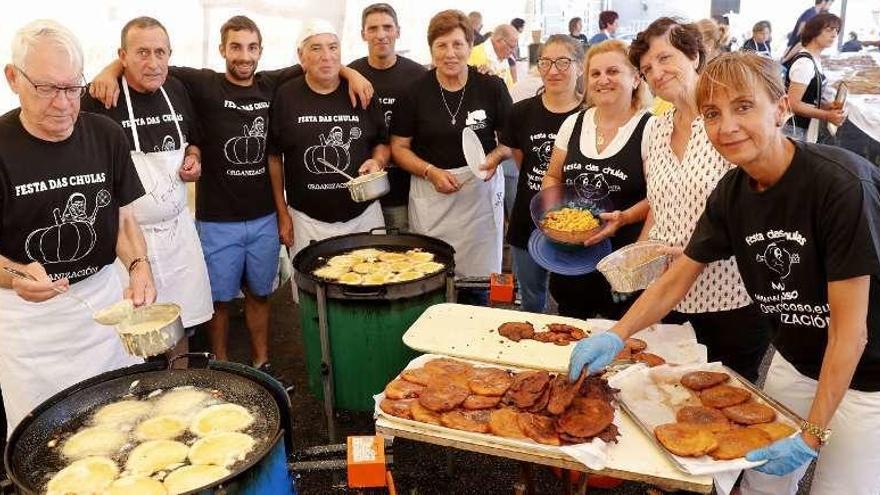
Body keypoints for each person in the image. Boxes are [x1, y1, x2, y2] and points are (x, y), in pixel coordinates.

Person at [570, 51, 880, 495]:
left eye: (744, 107)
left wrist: (813, 432)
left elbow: (851, 333)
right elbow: (680, 276)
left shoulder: (840, 185)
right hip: (794, 358)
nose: (727, 126)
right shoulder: (733, 192)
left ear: (780, 107)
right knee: (760, 486)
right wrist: (616, 335)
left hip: (867, 378)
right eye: (713, 113)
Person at [88, 18, 373, 373]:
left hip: (263, 216)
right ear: (222, 49)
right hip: (215, 218)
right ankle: (221, 365)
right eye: (235, 47)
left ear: (260, 51)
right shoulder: (200, 83)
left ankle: (261, 361)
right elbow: (148, 64)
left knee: (260, 293)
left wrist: (350, 73)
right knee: (218, 300)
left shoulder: (271, 83)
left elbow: (316, 60)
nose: (243, 56)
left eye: (251, 48)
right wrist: (110, 69)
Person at [0, 19, 153, 432]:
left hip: (101, 306)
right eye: (47, 89)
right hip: (29, 323)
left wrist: (139, 266)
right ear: (13, 78)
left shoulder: (105, 135)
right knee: (46, 435)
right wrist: (15, 275)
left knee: (120, 423)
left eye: (72, 88)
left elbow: (123, 221)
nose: (64, 103)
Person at [626, 17, 772, 382]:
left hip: (730, 296)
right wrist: (640, 264)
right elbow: (658, 207)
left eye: (664, 58)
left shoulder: (729, 127)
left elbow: (765, 209)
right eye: (646, 69)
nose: (656, 73)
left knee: (730, 403)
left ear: (693, 55)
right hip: (670, 297)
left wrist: (699, 251)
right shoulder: (653, 130)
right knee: (671, 397)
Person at [80, 17, 212, 356]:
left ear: (170, 54)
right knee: (129, 331)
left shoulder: (177, 89)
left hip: (178, 232)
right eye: (141, 53)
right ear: (122, 55)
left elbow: (194, 138)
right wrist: (107, 72)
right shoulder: (99, 97)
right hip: (127, 238)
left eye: (159, 52)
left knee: (179, 320)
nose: (152, 63)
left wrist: (193, 157)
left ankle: (179, 382)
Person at [391, 10, 512, 305]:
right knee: (433, 277)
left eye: (458, 44)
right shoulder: (414, 92)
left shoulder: (491, 87)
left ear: (470, 46)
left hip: (479, 195)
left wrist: (494, 157)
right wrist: (430, 172)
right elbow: (399, 148)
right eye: (441, 46)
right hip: (432, 192)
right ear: (431, 49)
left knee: (479, 282)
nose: (450, 54)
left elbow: (510, 141)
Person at [269, 19, 388, 300]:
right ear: (301, 56)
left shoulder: (361, 91)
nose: (327, 56)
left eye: (333, 47)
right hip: (308, 220)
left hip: (363, 216)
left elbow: (382, 142)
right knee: (314, 299)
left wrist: (378, 162)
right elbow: (274, 157)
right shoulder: (286, 95)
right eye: (316, 48)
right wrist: (282, 213)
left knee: (371, 288)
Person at [541, 40, 652, 320]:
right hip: (572, 257)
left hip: (623, 260)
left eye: (613, 72)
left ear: (636, 78)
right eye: (595, 74)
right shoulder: (574, 123)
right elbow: (553, 174)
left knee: (623, 345)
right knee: (568, 332)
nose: (603, 80)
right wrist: (554, 213)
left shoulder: (651, 128)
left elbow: (659, 197)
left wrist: (624, 218)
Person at [500, 35, 584, 313]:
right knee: (531, 296)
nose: (553, 70)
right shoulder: (520, 113)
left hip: (577, 223)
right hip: (529, 217)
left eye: (563, 62)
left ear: (579, 67)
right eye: (546, 62)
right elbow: (524, 161)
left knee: (572, 299)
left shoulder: (591, 115)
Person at [349, 4, 427, 233]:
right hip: (362, 193)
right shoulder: (351, 75)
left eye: (387, 27)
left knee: (404, 259)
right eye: (372, 28)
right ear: (363, 34)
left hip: (406, 191)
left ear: (398, 31)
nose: (381, 35)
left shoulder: (418, 75)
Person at [784, 13, 846, 143]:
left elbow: (808, 96)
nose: (834, 34)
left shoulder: (815, 58)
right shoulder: (805, 63)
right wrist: (827, 115)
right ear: (814, 31)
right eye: (829, 30)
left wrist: (825, 106)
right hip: (794, 130)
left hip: (803, 128)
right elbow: (793, 104)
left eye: (836, 31)